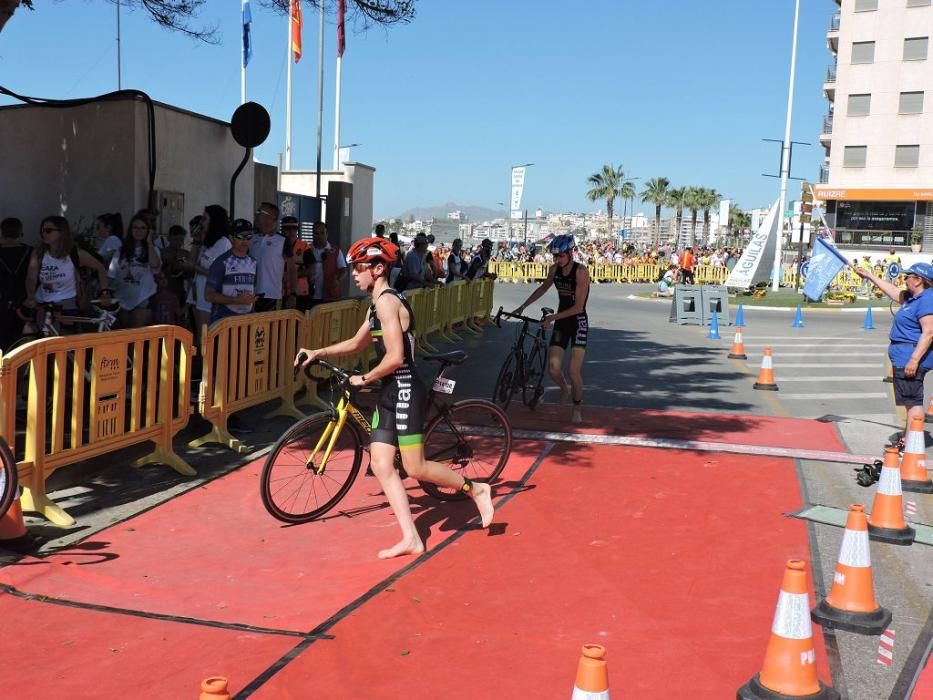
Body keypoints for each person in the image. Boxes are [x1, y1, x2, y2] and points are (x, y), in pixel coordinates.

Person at [295, 237, 494, 559]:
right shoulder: (375, 302)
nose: (353, 274)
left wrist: (365, 377)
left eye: (358, 268)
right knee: (382, 464)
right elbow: (358, 343)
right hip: (389, 392)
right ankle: (411, 538)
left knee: (414, 468)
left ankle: (476, 489)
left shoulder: (388, 302)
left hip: (404, 389)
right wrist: (318, 351)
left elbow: (396, 357)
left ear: (377, 268)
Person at [852, 261, 933, 447]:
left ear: (919, 280)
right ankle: (909, 438)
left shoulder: (927, 299)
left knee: (913, 402)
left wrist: (914, 360)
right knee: (910, 402)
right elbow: (894, 292)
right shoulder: (914, 298)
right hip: (903, 355)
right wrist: (870, 276)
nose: (905, 279)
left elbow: (929, 332)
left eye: (908, 277)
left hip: (910, 356)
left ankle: (911, 445)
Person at [512, 234, 590, 423]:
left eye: (560, 256)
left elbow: (579, 307)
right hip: (562, 320)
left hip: (578, 321)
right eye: (554, 256)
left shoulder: (581, 272)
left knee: (573, 371)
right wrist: (523, 306)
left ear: (571, 253)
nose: (557, 260)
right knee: (553, 368)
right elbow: (543, 288)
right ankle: (564, 388)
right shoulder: (554, 269)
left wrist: (552, 317)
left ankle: (577, 408)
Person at [24, 216, 110, 332]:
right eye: (42, 231)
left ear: (61, 232)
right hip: (43, 304)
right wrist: (30, 296)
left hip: (66, 305)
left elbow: (100, 267)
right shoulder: (39, 252)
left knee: (63, 344)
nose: (44, 234)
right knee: (36, 337)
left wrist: (104, 292)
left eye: (48, 230)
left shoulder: (75, 253)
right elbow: (31, 277)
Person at [109, 211, 162, 328]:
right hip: (122, 299)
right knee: (123, 337)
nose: (139, 231)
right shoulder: (121, 250)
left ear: (148, 230)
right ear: (130, 229)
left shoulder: (153, 249)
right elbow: (112, 274)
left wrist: (149, 242)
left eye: (143, 228)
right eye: (135, 227)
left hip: (143, 299)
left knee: (136, 338)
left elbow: (155, 265)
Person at [187, 205, 232, 341]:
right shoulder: (207, 242)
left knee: (206, 339)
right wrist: (196, 240)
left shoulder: (223, 243)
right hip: (197, 295)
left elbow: (219, 273)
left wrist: (195, 268)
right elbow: (191, 261)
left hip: (209, 298)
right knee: (199, 337)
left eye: (205, 218)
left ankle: (209, 362)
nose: (202, 222)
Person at [204, 219, 258, 325]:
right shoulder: (221, 262)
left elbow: (252, 293)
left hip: (245, 322)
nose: (245, 241)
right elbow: (208, 295)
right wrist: (236, 300)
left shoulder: (253, 263)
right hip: (223, 322)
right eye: (240, 236)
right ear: (231, 238)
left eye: (249, 236)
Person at [252, 202, 295, 311]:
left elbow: (292, 269)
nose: (255, 214)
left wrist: (292, 294)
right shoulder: (252, 239)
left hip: (272, 296)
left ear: (271, 217)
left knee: (271, 328)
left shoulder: (283, 240)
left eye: (259, 212)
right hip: (250, 296)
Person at [0, 217, 32, 348]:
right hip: (23, 299)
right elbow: (32, 277)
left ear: (2, 233)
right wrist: (31, 296)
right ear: (21, 233)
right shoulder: (30, 251)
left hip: (2, 299)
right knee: (21, 339)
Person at [303, 221, 347, 307]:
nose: (319, 236)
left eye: (322, 233)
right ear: (312, 234)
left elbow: (344, 270)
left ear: (327, 234)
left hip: (329, 296)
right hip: (309, 295)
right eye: (316, 233)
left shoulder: (335, 251)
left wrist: (337, 280)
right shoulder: (307, 250)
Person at [282, 216, 312, 311]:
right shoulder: (277, 245)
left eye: (294, 228)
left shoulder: (304, 246)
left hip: (300, 294)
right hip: (281, 294)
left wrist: (293, 275)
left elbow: (312, 270)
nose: (291, 232)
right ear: (282, 230)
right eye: (287, 228)